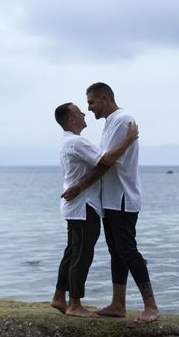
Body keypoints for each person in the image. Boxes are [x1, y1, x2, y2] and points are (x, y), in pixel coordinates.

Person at [61, 82, 161, 323]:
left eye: (92, 103)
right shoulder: (110, 123)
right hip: (111, 200)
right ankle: (118, 304)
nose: (89, 108)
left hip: (123, 198)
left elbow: (106, 162)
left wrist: (79, 187)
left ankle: (151, 307)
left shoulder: (122, 119)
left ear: (105, 98)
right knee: (116, 253)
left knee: (127, 250)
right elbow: (102, 161)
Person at [50, 102, 139, 318]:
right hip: (84, 207)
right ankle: (74, 305)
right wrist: (129, 139)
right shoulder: (77, 142)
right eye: (80, 112)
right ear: (71, 120)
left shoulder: (68, 142)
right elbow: (106, 160)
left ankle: (59, 297)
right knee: (82, 255)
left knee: (72, 252)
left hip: (75, 207)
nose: (84, 113)